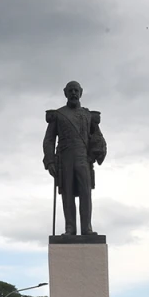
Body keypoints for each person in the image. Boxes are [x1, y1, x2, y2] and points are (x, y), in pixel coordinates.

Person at [42, 81, 107, 235]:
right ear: (65, 93)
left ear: (81, 92)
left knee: (86, 193)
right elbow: (49, 139)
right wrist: (50, 160)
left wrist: (96, 152)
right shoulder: (58, 115)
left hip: (83, 158)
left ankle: (87, 228)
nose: (73, 93)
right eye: (70, 90)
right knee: (67, 194)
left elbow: (97, 137)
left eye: (76, 90)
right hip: (65, 159)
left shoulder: (87, 115)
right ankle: (70, 228)